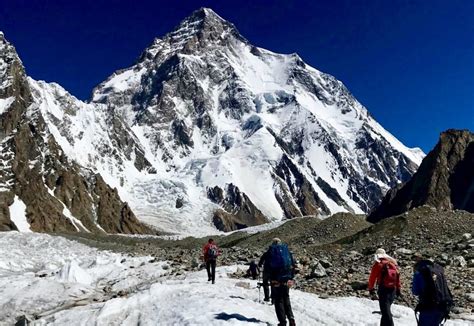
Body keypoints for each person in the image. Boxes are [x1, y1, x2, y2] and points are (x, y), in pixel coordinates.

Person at [412, 253, 453, 326]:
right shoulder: (438, 271)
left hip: (428, 306)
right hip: (442, 305)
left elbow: (415, 291)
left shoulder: (419, 273)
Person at [265, 238, 296, 326]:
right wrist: (291, 277)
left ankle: (282, 322)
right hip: (286, 279)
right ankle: (291, 318)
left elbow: (267, 267)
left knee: (278, 300)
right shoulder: (286, 251)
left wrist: (268, 279)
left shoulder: (271, 251)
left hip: (276, 280)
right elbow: (292, 264)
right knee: (286, 297)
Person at [368, 248, 401, 326]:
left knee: (386, 313)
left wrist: (371, 289)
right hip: (393, 290)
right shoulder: (392, 264)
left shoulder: (378, 265)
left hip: (383, 290)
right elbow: (398, 276)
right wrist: (398, 289)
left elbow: (372, 278)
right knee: (385, 311)